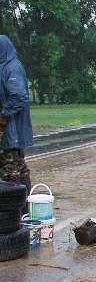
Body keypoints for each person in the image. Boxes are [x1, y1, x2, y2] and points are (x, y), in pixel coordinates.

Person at [0, 36, 33, 194]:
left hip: (11, 129)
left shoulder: (11, 68)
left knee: (10, 171)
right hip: (10, 130)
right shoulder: (5, 66)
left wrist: (4, 117)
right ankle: (25, 205)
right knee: (19, 167)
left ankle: (15, 211)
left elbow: (19, 96)